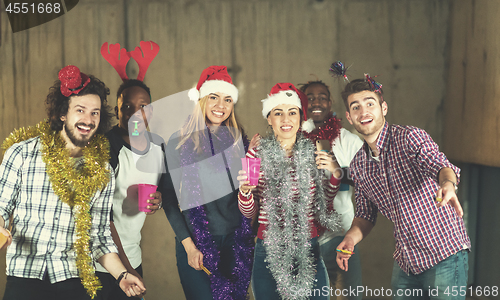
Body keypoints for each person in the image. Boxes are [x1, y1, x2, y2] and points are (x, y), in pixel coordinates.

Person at [0, 65, 145, 300]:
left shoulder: (102, 172)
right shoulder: (22, 154)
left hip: (72, 278)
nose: (88, 119)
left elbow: (99, 237)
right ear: (63, 113)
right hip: (24, 276)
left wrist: (122, 275)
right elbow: (1, 206)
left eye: (95, 112)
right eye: (80, 110)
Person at [336, 77, 470, 300]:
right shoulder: (359, 163)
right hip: (407, 262)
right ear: (349, 117)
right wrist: (350, 239)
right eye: (356, 107)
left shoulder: (409, 137)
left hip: (445, 254)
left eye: (370, 103)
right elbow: (365, 215)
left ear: (383, 108)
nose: (364, 111)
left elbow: (439, 164)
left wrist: (447, 183)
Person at [238, 83, 342, 300]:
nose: (286, 119)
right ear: (269, 118)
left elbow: (324, 204)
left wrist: (335, 173)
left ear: (300, 118)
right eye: (278, 112)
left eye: (292, 112)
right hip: (268, 248)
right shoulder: (255, 153)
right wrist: (245, 192)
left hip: (308, 246)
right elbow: (249, 213)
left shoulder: (314, 150)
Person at [163, 66, 255, 300]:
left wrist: (253, 160)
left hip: (235, 241)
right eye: (213, 97)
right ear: (201, 99)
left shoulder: (238, 140)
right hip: (197, 242)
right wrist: (189, 247)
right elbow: (170, 200)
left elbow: (247, 193)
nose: (220, 105)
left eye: (227, 99)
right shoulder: (178, 141)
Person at [94, 79, 165, 300]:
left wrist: (158, 200)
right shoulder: (105, 148)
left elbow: (163, 192)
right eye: (127, 107)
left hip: (133, 256)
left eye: (142, 107)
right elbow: (101, 217)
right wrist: (125, 271)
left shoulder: (158, 147)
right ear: (117, 111)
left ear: (150, 112)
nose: (135, 113)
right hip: (100, 263)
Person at [299, 80, 363, 299]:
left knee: (350, 294)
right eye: (310, 97)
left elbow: (369, 180)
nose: (317, 102)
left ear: (331, 102)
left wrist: (337, 170)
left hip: (342, 235)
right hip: (305, 238)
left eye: (322, 97)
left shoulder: (349, 141)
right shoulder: (294, 138)